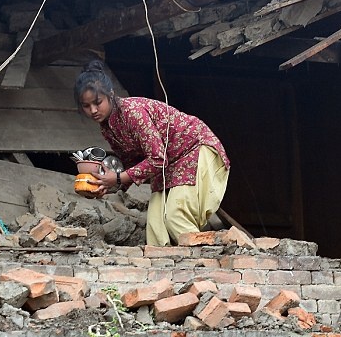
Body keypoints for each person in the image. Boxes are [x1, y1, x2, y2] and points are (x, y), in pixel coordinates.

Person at [73, 60, 230, 246]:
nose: (93, 110)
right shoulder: (107, 127)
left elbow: (157, 159)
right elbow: (132, 164)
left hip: (192, 149)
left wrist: (117, 179)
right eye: (86, 106)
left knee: (175, 216)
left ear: (111, 95)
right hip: (166, 165)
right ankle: (164, 271)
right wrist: (108, 185)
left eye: (98, 102)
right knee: (156, 227)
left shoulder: (133, 113)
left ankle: (206, 265)